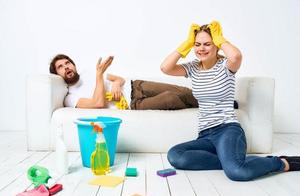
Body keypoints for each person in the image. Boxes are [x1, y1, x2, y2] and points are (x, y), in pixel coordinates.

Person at [160, 21, 300, 181]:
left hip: (227, 130)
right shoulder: (193, 68)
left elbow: (236, 56)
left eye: (207, 44)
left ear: (217, 46)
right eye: (197, 44)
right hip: (205, 135)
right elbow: (165, 68)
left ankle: (281, 163)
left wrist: (220, 38)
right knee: (176, 156)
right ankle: (230, 161)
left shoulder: (226, 66)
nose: (201, 48)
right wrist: (187, 43)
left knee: (237, 173)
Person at [49, 54, 198, 110]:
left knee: (183, 92)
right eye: (60, 67)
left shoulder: (88, 73)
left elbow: (119, 79)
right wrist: (99, 74)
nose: (66, 67)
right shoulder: (70, 98)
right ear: (57, 75)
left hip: (136, 86)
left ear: (73, 65)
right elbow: (98, 103)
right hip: (131, 104)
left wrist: (115, 84)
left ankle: (217, 102)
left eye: (67, 63)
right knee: (170, 98)